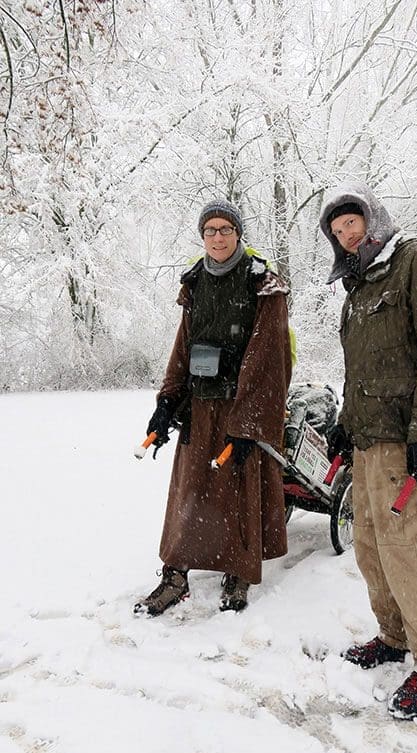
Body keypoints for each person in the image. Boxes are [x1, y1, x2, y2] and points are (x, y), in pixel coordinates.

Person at [319, 181, 417, 719]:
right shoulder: (357, 287)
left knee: (404, 549)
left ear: (372, 219)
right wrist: (344, 423)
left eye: (351, 223)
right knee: (369, 548)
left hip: (404, 440)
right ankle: (393, 635)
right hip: (367, 440)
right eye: (337, 232)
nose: (346, 234)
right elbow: (363, 370)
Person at [134, 199, 292, 616]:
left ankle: (237, 572)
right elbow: (184, 346)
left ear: (239, 234)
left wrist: (248, 422)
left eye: (225, 229)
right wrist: (167, 402)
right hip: (199, 406)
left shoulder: (262, 283)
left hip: (242, 406)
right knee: (190, 490)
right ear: (202, 236)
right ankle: (175, 575)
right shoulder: (195, 281)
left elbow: (269, 356)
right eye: (210, 231)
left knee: (238, 491)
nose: (218, 237)